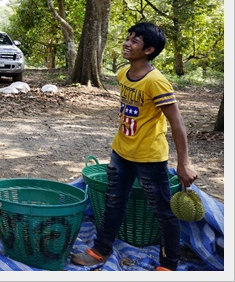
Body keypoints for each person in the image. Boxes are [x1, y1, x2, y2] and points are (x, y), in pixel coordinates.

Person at [70, 22, 198, 272]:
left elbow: (176, 121)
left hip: (150, 157)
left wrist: (184, 162)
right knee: (114, 201)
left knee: (162, 210)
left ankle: (168, 265)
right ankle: (100, 250)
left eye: (135, 41)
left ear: (149, 50)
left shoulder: (156, 82)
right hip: (121, 152)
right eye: (128, 37)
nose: (127, 43)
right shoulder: (123, 75)